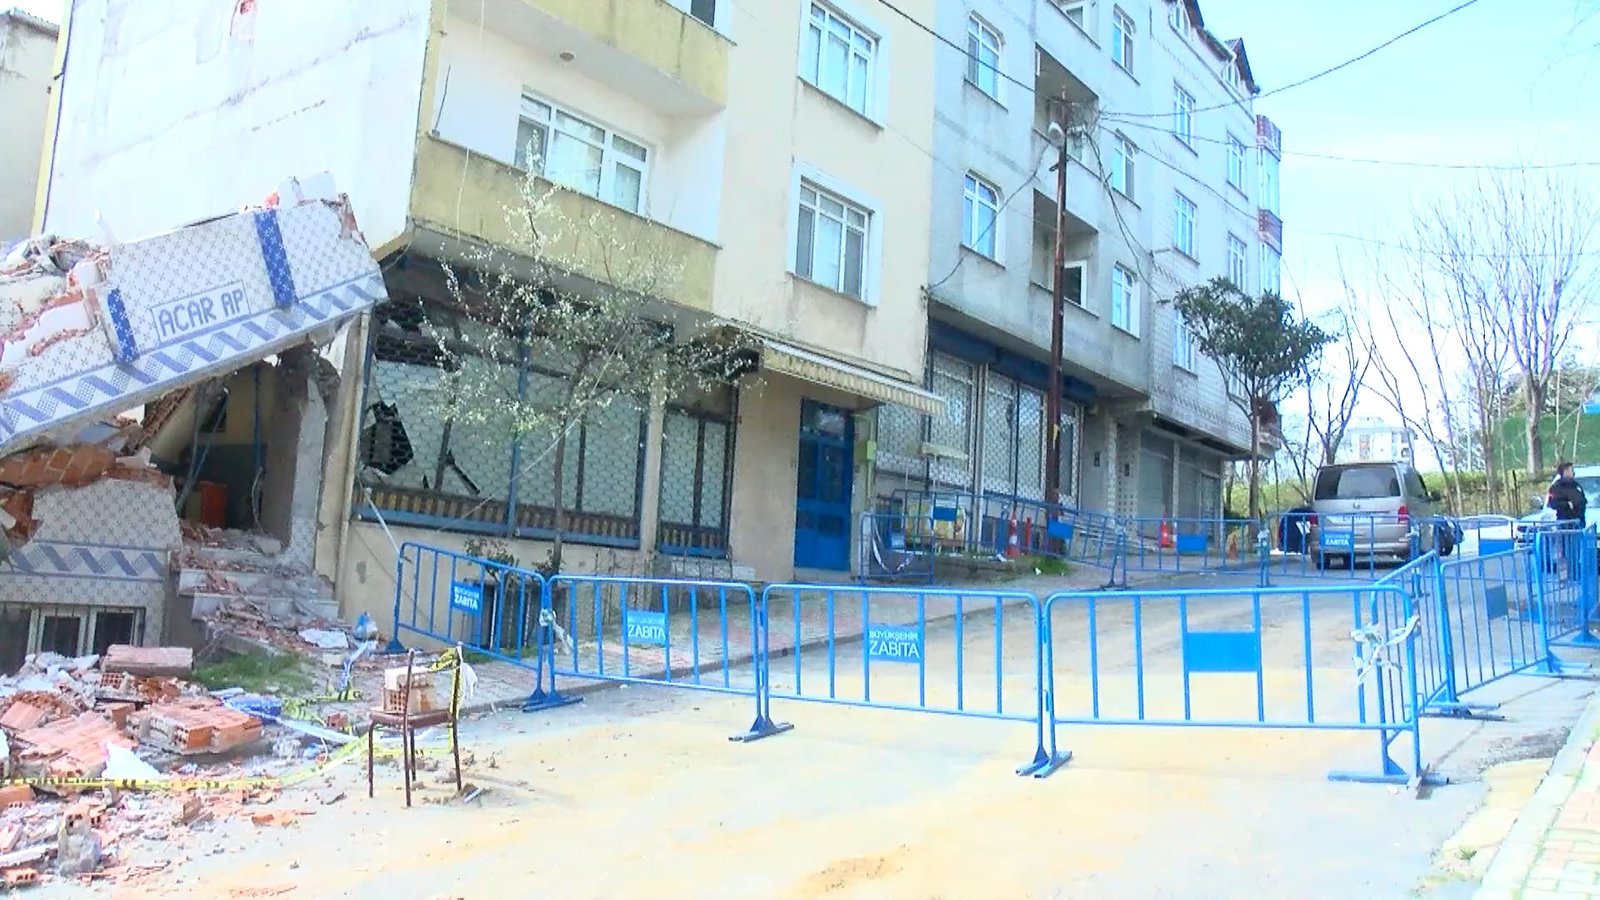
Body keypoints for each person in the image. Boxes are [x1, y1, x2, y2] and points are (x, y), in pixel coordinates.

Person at [1546, 462, 1588, 579]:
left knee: (1576, 550)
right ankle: (1568, 575)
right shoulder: (1556, 487)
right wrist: (1567, 505)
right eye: (1571, 470)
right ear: (1565, 472)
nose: (1573, 472)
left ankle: (1576, 573)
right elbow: (1553, 503)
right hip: (1566, 524)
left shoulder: (1576, 485)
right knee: (1567, 550)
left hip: (1578, 522)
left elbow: (1581, 500)